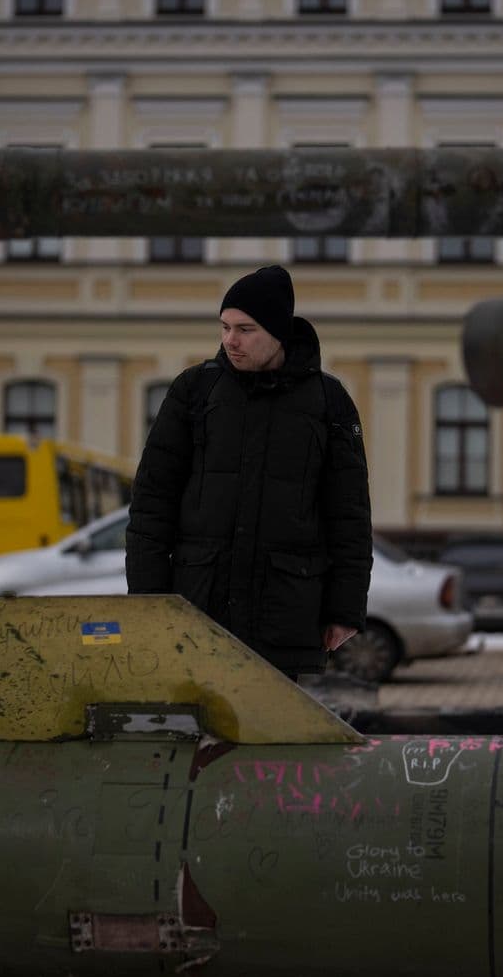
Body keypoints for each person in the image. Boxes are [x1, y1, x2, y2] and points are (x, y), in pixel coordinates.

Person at [126, 264, 373, 677]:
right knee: (197, 737)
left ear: (278, 332)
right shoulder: (194, 391)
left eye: (245, 329)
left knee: (275, 738)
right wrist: (148, 600)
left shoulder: (329, 401)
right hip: (197, 609)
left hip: (284, 615)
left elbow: (349, 515)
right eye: (224, 327)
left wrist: (345, 610)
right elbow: (152, 502)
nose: (230, 340)